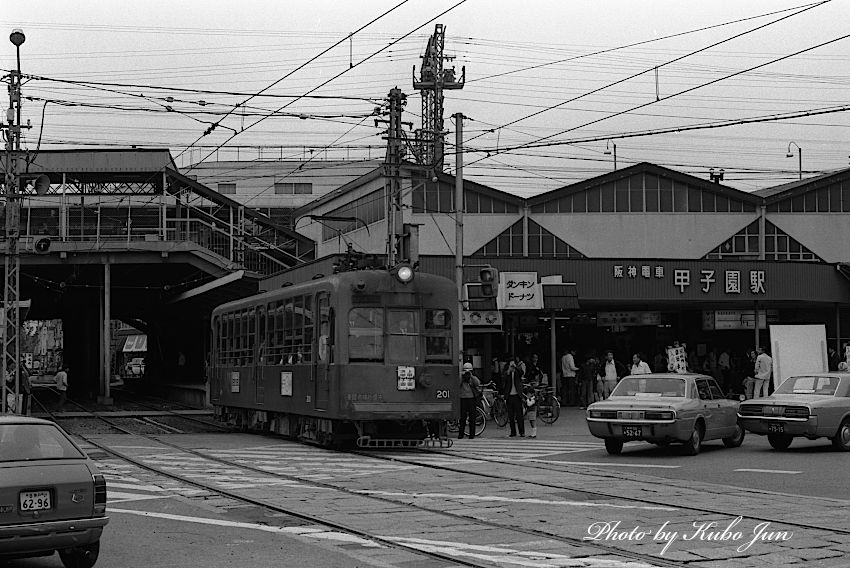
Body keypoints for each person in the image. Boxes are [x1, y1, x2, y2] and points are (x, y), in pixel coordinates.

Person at [502, 359, 525, 437]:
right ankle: (513, 432)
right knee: (511, 416)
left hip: (517, 395)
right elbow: (503, 379)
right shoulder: (507, 372)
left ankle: (521, 432)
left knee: (519, 415)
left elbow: (522, 373)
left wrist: (516, 367)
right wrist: (508, 370)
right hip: (509, 396)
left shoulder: (517, 372)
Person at [458, 362, 481, 440]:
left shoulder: (472, 377)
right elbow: (457, 384)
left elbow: (478, 383)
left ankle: (472, 434)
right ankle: (461, 434)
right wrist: (462, 376)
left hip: (471, 398)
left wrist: (471, 376)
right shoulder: (461, 376)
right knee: (462, 418)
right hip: (463, 398)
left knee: (472, 417)